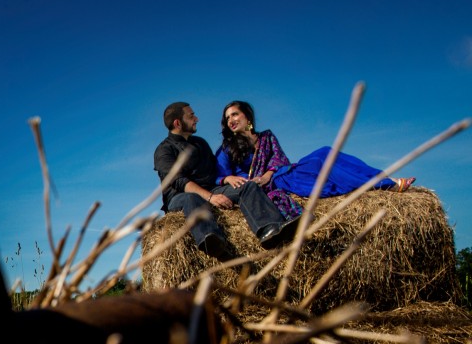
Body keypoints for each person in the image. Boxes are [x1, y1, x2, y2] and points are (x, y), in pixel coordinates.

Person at [215, 100, 416, 220]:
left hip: (279, 175)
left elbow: (279, 160)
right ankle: (385, 185)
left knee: (325, 152)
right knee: (321, 165)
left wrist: (267, 174)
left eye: (235, 114)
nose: (231, 120)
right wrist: (228, 179)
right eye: (227, 118)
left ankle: (384, 180)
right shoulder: (227, 147)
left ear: (247, 117)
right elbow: (217, 174)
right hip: (262, 188)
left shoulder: (266, 137)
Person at [154, 101, 300, 260]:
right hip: (180, 196)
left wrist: (226, 179)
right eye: (191, 116)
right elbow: (179, 181)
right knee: (192, 198)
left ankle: (271, 229)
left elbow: (216, 171)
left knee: (247, 186)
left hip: (212, 189)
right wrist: (210, 197)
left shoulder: (200, 143)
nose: (196, 119)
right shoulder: (164, 150)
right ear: (177, 123)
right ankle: (212, 242)